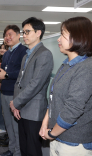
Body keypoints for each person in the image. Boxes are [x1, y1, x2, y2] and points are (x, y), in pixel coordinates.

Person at [39, 16, 92, 156]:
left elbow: (73, 109)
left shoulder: (86, 68)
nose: (58, 39)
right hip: (57, 137)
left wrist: (51, 133)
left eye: (62, 34)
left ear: (78, 37)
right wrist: (45, 125)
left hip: (74, 143)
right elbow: (53, 100)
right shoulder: (65, 65)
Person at [10, 17, 53, 156]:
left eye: (27, 32)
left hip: (34, 111)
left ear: (38, 32)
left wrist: (16, 102)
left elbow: (35, 84)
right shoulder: (26, 55)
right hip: (22, 108)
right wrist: (16, 103)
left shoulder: (44, 54)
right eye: (23, 32)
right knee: (24, 148)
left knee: (32, 150)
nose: (24, 35)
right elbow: (19, 81)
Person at [0, 25, 27, 156]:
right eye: (5, 35)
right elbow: (4, 71)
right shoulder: (6, 53)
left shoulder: (24, 51)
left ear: (19, 35)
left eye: (10, 34)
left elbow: (22, 72)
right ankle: (12, 149)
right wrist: (0, 81)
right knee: (8, 125)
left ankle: (18, 153)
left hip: (15, 94)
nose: (7, 37)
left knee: (16, 126)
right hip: (4, 92)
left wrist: (6, 76)